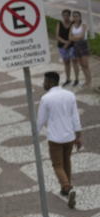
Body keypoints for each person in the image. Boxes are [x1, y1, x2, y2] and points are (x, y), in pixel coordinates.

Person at [37, 71, 83, 209]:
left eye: (45, 81)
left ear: (50, 82)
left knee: (57, 165)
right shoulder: (70, 95)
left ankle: (67, 187)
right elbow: (75, 116)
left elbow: (41, 120)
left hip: (55, 138)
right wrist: (78, 135)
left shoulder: (46, 98)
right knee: (66, 161)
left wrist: (35, 133)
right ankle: (66, 189)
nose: (43, 83)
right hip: (69, 136)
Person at [69, 10, 92, 89]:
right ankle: (86, 80)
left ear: (80, 17)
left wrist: (75, 37)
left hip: (83, 45)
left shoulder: (83, 25)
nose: (75, 18)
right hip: (76, 46)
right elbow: (70, 37)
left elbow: (82, 36)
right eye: (74, 16)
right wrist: (76, 37)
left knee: (86, 64)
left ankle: (89, 81)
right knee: (81, 65)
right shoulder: (72, 25)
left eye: (77, 16)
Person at [57, 9, 76, 86]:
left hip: (72, 45)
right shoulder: (59, 23)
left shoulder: (73, 23)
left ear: (69, 16)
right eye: (64, 15)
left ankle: (76, 79)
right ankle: (68, 79)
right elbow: (57, 36)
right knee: (66, 62)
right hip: (62, 46)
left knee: (74, 61)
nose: (65, 17)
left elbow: (73, 35)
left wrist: (68, 43)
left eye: (67, 15)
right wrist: (65, 43)